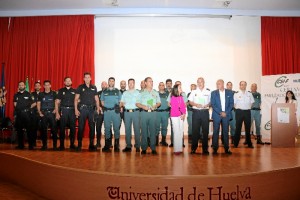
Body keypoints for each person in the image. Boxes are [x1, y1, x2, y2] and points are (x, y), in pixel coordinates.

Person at [74, 73, 101, 152]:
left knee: (92, 127)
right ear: (84, 79)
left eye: (88, 77)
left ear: (90, 78)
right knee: (81, 127)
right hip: (83, 109)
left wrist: (98, 108)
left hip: (92, 110)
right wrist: (76, 109)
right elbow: (76, 99)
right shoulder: (80, 87)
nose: (87, 79)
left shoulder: (94, 87)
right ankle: (79, 145)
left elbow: (96, 99)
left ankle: (91, 145)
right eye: (85, 77)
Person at [136, 77, 161, 155]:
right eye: (150, 81)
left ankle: (153, 148)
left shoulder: (155, 92)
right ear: (145, 83)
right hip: (144, 113)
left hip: (153, 113)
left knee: (153, 131)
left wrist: (155, 106)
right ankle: (144, 148)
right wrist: (143, 106)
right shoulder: (141, 93)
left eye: (152, 81)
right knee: (143, 131)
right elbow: (137, 103)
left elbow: (159, 103)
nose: (151, 82)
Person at [211, 79, 234, 155]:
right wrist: (220, 112)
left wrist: (226, 113)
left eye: (219, 84)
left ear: (223, 84)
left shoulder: (229, 92)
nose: (218, 85)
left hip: (226, 115)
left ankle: (226, 149)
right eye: (217, 84)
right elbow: (213, 104)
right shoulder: (213, 93)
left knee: (225, 132)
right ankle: (215, 149)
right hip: (217, 115)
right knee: (215, 132)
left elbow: (231, 104)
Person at [189, 77, 211, 155]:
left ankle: (205, 149)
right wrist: (196, 104)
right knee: (195, 131)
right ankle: (193, 148)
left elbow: (211, 102)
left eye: (201, 82)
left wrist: (207, 105)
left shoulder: (208, 92)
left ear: (204, 82)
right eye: (198, 82)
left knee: (205, 131)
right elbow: (190, 102)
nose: (199, 83)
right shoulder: (193, 91)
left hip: (205, 112)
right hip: (196, 112)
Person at [55, 77, 77, 150]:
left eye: (69, 81)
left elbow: (77, 101)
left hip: (72, 111)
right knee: (62, 128)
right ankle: (61, 145)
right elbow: (57, 102)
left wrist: (77, 111)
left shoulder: (75, 91)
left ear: (71, 82)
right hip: (63, 111)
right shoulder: (61, 91)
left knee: (73, 128)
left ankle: (72, 144)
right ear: (64, 82)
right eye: (66, 81)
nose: (68, 82)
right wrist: (57, 113)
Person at [101, 77, 122, 152]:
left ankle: (116, 145)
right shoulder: (104, 91)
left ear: (114, 82)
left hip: (115, 112)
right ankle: (107, 145)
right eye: (110, 81)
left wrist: (119, 106)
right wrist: (106, 106)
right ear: (108, 82)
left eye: (113, 81)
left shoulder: (117, 91)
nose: (111, 82)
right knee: (107, 128)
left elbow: (120, 101)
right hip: (107, 112)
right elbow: (102, 102)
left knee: (116, 128)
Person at [120, 78, 141, 152]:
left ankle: (138, 146)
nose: (130, 84)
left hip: (136, 112)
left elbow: (141, 102)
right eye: (129, 83)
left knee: (137, 129)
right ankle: (128, 146)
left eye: (132, 83)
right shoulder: (125, 93)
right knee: (127, 130)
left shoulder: (138, 93)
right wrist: (121, 104)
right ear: (128, 84)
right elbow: (121, 102)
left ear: (134, 84)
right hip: (127, 113)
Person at [37, 80, 58, 150]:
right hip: (44, 114)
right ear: (43, 86)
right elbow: (38, 103)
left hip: (52, 113)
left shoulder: (54, 93)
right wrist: (39, 112)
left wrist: (55, 110)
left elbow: (56, 102)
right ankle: (44, 145)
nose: (47, 86)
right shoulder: (40, 94)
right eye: (45, 85)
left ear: (50, 85)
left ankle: (55, 146)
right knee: (43, 130)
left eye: (48, 85)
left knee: (54, 130)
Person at [13, 81, 34, 149]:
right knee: (19, 130)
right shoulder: (16, 95)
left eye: (22, 85)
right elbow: (15, 104)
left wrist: (27, 109)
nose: (21, 86)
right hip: (19, 114)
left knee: (29, 130)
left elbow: (33, 103)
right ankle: (20, 145)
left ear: (25, 86)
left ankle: (31, 145)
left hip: (27, 114)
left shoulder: (28, 94)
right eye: (20, 85)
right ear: (18, 87)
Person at [234, 81, 255, 148]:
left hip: (247, 112)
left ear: (246, 86)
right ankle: (236, 143)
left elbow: (252, 103)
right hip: (239, 112)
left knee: (248, 128)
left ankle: (249, 143)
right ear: (240, 86)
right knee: (238, 128)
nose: (243, 86)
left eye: (244, 85)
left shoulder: (249, 94)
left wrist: (247, 108)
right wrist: (239, 108)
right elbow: (234, 104)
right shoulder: (236, 94)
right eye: (242, 85)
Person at [168, 84, 186, 155]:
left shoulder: (181, 97)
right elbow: (175, 108)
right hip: (175, 116)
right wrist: (181, 114)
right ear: (176, 89)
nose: (181, 88)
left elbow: (183, 106)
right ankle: (176, 149)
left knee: (181, 131)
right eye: (180, 88)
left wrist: (184, 114)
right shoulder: (172, 97)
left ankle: (180, 148)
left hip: (181, 115)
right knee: (176, 131)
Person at [156, 82, 170, 146]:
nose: (161, 86)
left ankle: (163, 141)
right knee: (156, 127)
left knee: (164, 127)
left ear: (164, 86)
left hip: (165, 113)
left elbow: (170, 103)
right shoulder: (155, 93)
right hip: (157, 113)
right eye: (160, 85)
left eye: (162, 85)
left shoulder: (168, 94)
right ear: (158, 87)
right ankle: (156, 141)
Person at [95, 81, 108, 148]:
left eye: (105, 84)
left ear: (107, 85)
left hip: (107, 113)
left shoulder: (110, 93)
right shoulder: (98, 93)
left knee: (108, 128)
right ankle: (98, 143)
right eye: (102, 84)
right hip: (99, 113)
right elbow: (95, 101)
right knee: (98, 128)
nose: (103, 85)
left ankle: (108, 143)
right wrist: (98, 107)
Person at [31, 81, 41, 146]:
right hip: (34, 113)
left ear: (40, 86)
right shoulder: (31, 94)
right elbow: (30, 105)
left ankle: (44, 144)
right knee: (33, 128)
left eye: (38, 85)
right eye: (36, 85)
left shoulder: (43, 94)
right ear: (34, 87)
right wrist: (37, 102)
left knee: (42, 128)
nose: (37, 86)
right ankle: (33, 142)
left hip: (41, 114)